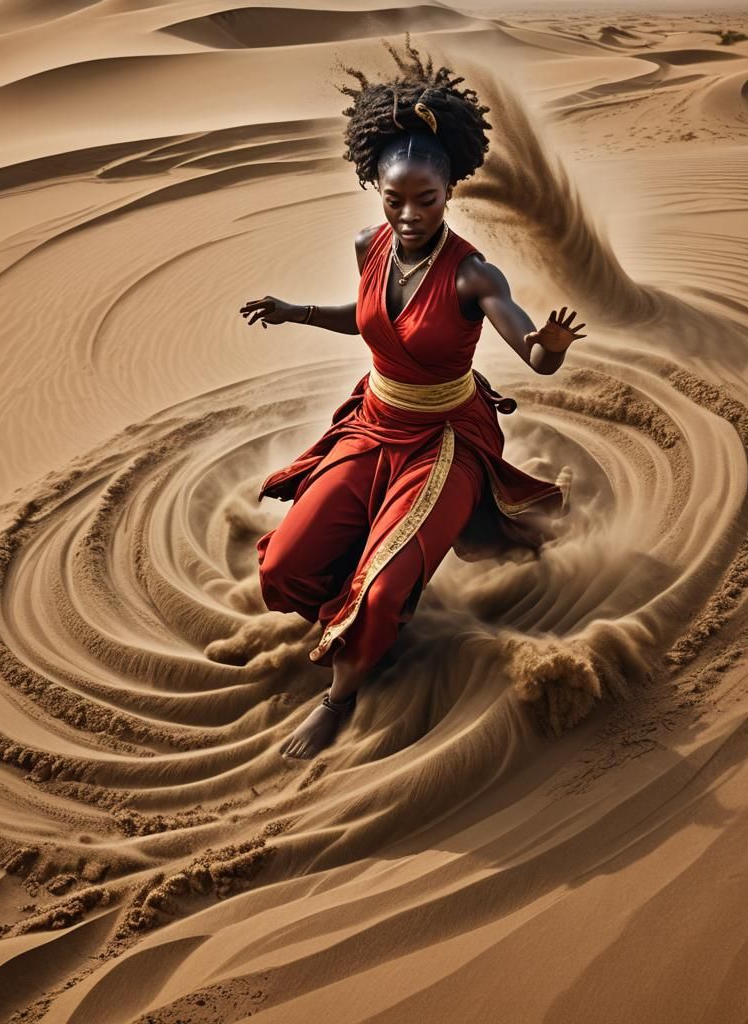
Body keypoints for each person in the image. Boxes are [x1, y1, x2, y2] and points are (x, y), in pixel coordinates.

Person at [239, 34, 586, 760]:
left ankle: (343, 692)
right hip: (372, 422)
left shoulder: (474, 276)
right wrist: (294, 310)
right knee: (281, 570)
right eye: (393, 199)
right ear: (375, 187)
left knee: (387, 579)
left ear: (451, 188)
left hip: (444, 441)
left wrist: (546, 350)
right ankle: (364, 615)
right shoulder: (368, 245)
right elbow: (370, 320)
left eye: (424, 200)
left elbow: (529, 349)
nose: (407, 215)